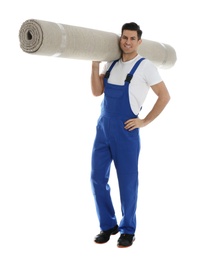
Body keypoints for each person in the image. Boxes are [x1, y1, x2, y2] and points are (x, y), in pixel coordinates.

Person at [90, 22, 170, 248]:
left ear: (139, 41)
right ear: (120, 39)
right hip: (103, 129)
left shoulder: (146, 67)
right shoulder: (112, 63)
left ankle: (127, 229)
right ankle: (108, 225)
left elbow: (164, 96)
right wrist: (95, 65)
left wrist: (144, 121)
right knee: (97, 178)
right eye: (124, 37)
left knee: (127, 183)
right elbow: (97, 92)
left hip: (126, 131)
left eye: (132, 38)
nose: (127, 41)